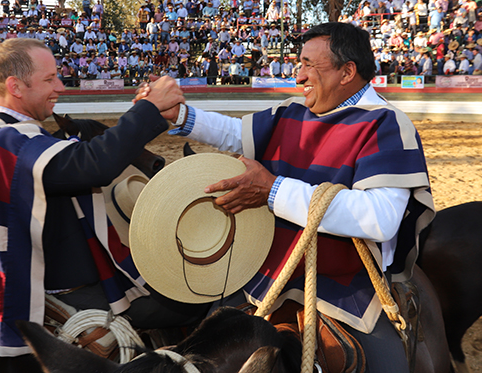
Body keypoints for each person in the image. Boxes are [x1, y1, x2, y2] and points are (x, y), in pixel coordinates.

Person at [140, 22, 435, 372]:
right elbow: (237, 133)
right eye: (300, 64)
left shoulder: (386, 124)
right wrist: (182, 116)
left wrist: (272, 190)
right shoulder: (291, 111)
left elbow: (379, 219)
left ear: (347, 72)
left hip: (344, 288)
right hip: (264, 274)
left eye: (311, 65)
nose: (299, 76)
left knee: (390, 366)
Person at [0, 38, 210, 358]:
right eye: (49, 79)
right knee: (198, 298)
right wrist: (148, 109)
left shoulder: (5, 135)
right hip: (71, 289)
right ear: (15, 86)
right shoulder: (13, 141)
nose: (59, 87)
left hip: (63, 274)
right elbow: (94, 165)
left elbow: (83, 161)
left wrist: (141, 112)